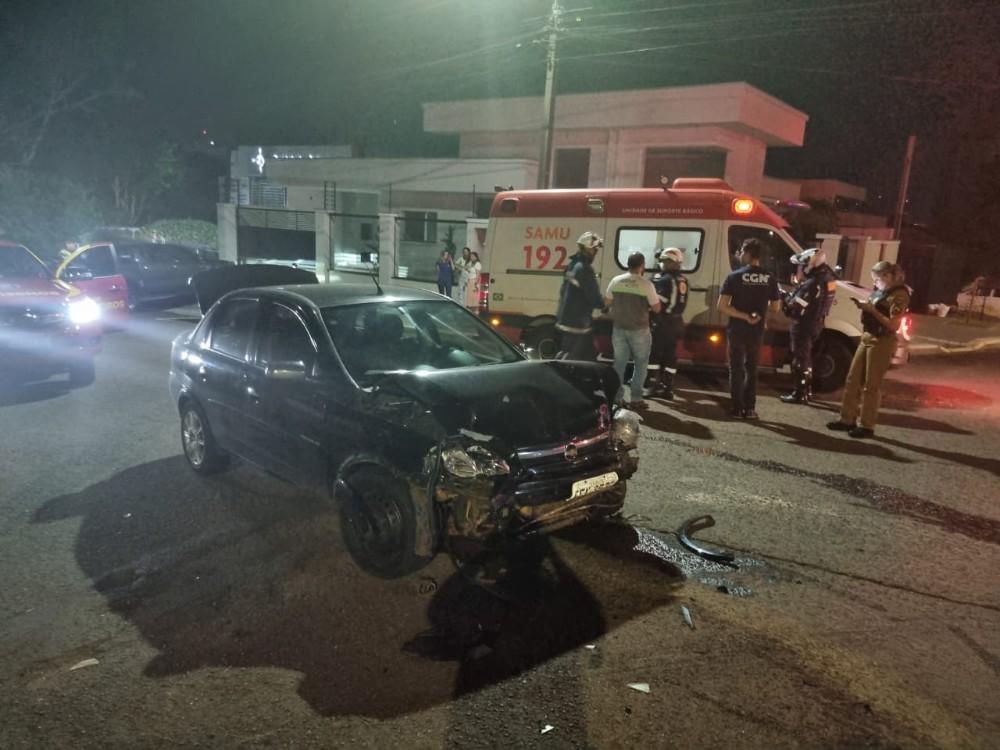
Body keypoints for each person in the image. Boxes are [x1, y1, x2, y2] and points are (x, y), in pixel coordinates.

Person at [827, 261, 910, 439]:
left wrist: (872, 310)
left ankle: (867, 425)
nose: (875, 283)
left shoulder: (899, 295)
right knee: (852, 379)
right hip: (867, 336)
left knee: (871, 385)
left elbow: (893, 324)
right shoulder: (881, 291)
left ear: (888, 276)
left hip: (882, 341)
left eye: (877, 279)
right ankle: (847, 419)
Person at [717, 238, 782, 419]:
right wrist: (759, 313)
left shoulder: (734, 277)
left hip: (737, 329)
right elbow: (776, 308)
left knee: (736, 368)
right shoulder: (770, 278)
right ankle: (750, 408)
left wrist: (744, 316)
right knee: (752, 369)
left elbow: (722, 306)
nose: (739, 255)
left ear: (747, 253)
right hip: (757, 330)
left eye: (741, 252)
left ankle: (737, 408)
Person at [779, 247, 838, 404]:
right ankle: (807, 391)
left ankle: (799, 394)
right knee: (806, 358)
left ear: (810, 265)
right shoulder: (829, 278)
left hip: (804, 325)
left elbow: (795, 307)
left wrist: (784, 298)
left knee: (800, 360)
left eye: (801, 265)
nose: (800, 269)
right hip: (817, 322)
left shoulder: (812, 284)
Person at [606, 251, 661, 409]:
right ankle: (636, 399)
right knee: (641, 363)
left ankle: (617, 398)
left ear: (627, 264)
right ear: (642, 265)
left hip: (619, 328)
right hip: (639, 330)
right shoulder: (646, 284)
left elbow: (607, 302)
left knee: (619, 364)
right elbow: (657, 308)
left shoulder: (616, 281)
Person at [555, 232, 605, 360]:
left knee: (582, 354)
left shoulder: (572, 265)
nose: (595, 252)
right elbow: (593, 295)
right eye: (595, 249)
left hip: (566, 316)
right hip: (577, 322)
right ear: (588, 248)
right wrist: (604, 306)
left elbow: (563, 290)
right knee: (573, 356)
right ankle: (559, 375)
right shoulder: (584, 269)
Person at [649, 247, 688, 400]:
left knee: (655, 353)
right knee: (671, 355)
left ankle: (651, 385)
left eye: (665, 261)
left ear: (673, 262)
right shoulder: (682, 279)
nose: (663, 264)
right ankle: (668, 387)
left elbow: (657, 304)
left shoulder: (665, 280)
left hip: (664, 321)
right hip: (677, 321)